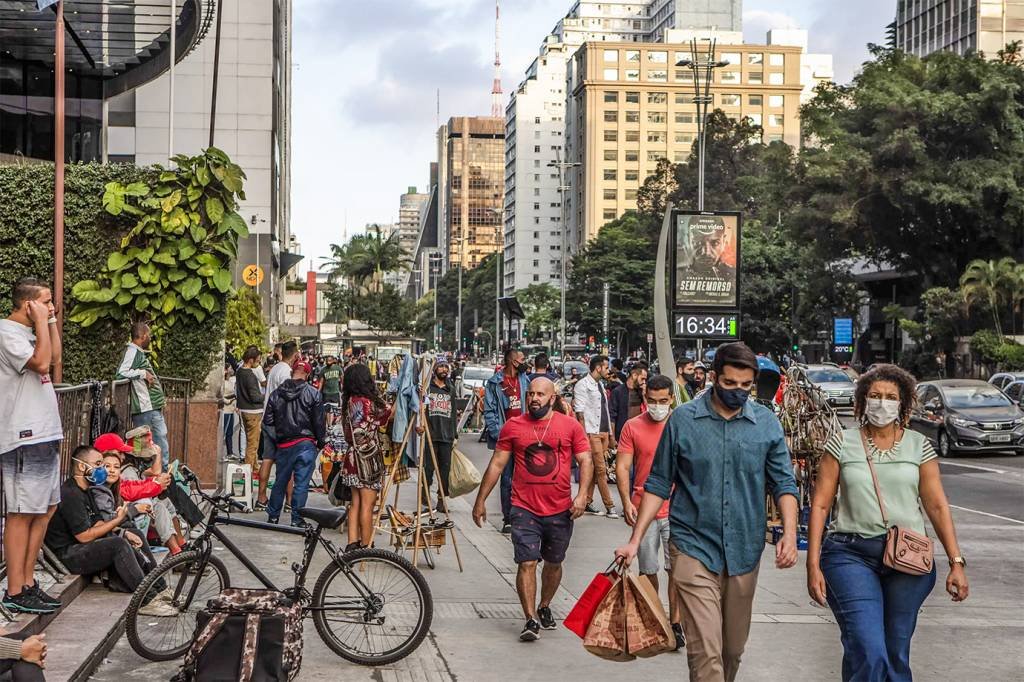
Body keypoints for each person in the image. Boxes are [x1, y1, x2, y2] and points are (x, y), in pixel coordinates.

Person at [614, 342, 799, 682]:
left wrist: (789, 533)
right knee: (706, 652)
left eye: (746, 386)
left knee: (731, 651)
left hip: (744, 549)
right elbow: (658, 483)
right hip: (692, 545)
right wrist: (634, 539)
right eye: (730, 384)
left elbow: (784, 484)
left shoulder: (766, 424)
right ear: (713, 378)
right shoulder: (683, 420)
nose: (738, 392)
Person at [806, 364, 968, 682]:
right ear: (863, 400)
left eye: (891, 397)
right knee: (868, 647)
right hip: (849, 553)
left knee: (894, 653)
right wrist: (813, 564)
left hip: (909, 559)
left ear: (903, 403)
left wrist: (956, 562)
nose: (883, 403)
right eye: (875, 395)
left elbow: (936, 505)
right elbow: (821, 504)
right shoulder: (842, 443)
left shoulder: (918, 446)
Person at [473, 377, 593, 641]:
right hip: (523, 507)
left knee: (553, 562)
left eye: (540, 394)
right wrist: (480, 500)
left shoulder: (569, 426)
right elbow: (497, 465)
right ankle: (529, 619)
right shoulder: (513, 427)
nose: (534, 398)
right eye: (531, 394)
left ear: (552, 398)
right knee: (527, 562)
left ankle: (544, 605)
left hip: (560, 508)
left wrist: (582, 495)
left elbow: (585, 460)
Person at [0, 278, 63, 615]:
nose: (52, 306)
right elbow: (40, 364)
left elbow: (54, 359)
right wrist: (41, 321)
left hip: (44, 431)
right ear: (28, 305)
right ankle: (14, 588)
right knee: (21, 512)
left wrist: (48, 322)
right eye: (46, 302)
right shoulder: (6, 332)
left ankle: (27, 583)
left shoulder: (32, 330)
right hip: (23, 433)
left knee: (45, 507)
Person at [614, 374, 685, 651]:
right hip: (643, 509)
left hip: (677, 510)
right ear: (646, 399)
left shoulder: (681, 425)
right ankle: (656, 617)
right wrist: (626, 501)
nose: (658, 406)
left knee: (676, 570)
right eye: (653, 401)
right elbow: (622, 467)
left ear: (671, 400)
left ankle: (675, 623)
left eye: (663, 401)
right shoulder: (632, 427)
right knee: (648, 570)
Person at [44, 446, 149, 597]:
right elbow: (84, 536)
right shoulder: (70, 493)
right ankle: (146, 597)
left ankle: (157, 586)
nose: (103, 469)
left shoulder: (87, 490)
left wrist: (123, 532)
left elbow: (98, 523)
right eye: (98, 464)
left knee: (133, 533)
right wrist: (118, 521)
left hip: (80, 546)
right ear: (82, 466)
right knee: (117, 545)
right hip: (68, 554)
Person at [263, 361, 326, 527]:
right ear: (307, 374)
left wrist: (278, 439)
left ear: (292, 372)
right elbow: (319, 422)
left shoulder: (276, 394)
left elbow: (268, 422)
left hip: (284, 444)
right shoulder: (313, 394)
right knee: (302, 483)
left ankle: (273, 515)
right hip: (306, 443)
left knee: (280, 481)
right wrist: (320, 442)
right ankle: (297, 519)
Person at [339, 363, 392, 550]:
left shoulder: (349, 402)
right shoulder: (370, 403)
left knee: (355, 503)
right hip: (367, 460)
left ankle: (352, 542)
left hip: (352, 458)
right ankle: (366, 545)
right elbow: (388, 412)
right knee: (368, 506)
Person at [483, 348, 531, 533]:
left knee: (525, 477)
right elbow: (490, 411)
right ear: (514, 361)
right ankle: (508, 518)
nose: (525, 362)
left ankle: (523, 515)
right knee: (507, 479)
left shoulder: (524, 380)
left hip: (525, 436)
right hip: (506, 437)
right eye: (522, 359)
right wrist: (499, 434)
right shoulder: (495, 383)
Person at [117, 322, 170, 468]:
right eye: (149, 335)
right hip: (146, 406)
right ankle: (160, 473)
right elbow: (121, 373)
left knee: (142, 442)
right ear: (143, 336)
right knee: (159, 440)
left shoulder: (135, 352)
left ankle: (145, 472)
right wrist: (143, 373)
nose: (150, 338)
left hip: (146, 407)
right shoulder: (132, 351)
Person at [572, 355, 619, 519]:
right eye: (606, 367)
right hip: (591, 432)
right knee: (601, 470)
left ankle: (587, 501)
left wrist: (610, 435)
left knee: (592, 469)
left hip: (603, 432)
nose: (609, 370)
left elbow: (605, 410)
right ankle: (610, 506)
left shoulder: (600, 385)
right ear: (598, 368)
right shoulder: (582, 385)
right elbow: (580, 413)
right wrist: (583, 436)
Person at [256, 340, 299, 510]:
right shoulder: (287, 372)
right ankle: (289, 501)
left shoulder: (274, 369)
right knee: (288, 462)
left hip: (268, 420)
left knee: (267, 459)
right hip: (281, 423)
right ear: (295, 355)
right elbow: (287, 399)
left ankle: (261, 496)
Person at [419, 359, 458, 512]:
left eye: (445, 367)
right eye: (441, 367)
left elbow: (454, 412)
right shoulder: (429, 389)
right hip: (431, 434)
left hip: (446, 435)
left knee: (445, 469)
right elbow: (422, 409)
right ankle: (425, 494)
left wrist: (455, 435)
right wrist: (421, 425)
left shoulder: (451, 389)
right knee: (428, 467)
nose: (444, 370)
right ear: (435, 369)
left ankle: (442, 499)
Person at [235, 346, 265, 470]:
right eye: (257, 361)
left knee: (250, 440)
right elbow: (255, 396)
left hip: (244, 409)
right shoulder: (250, 375)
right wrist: (265, 396)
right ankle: (248, 469)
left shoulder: (239, 371)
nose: (258, 364)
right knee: (253, 444)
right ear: (251, 360)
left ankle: (255, 466)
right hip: (253, 411)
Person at [609, 360, 648, 440]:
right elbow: (612, 416)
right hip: (622, 434)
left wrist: (645, 396)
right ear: (634, 375)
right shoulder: (618, 392)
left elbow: (649, 411)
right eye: (642, 379)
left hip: (639, 434)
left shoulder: (642, 392)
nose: (644, 382)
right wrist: (612, 437)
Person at [220, 364, 238, 460]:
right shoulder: (222, 383)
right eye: (230, 368)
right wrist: (228, 401)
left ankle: (230, 452)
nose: (231, 369)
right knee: (224, 432)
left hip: (231, 410)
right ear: (226, 370)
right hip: (226, 410)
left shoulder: (230, 381)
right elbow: (221, 396)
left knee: (229, 432)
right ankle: (221, 454)